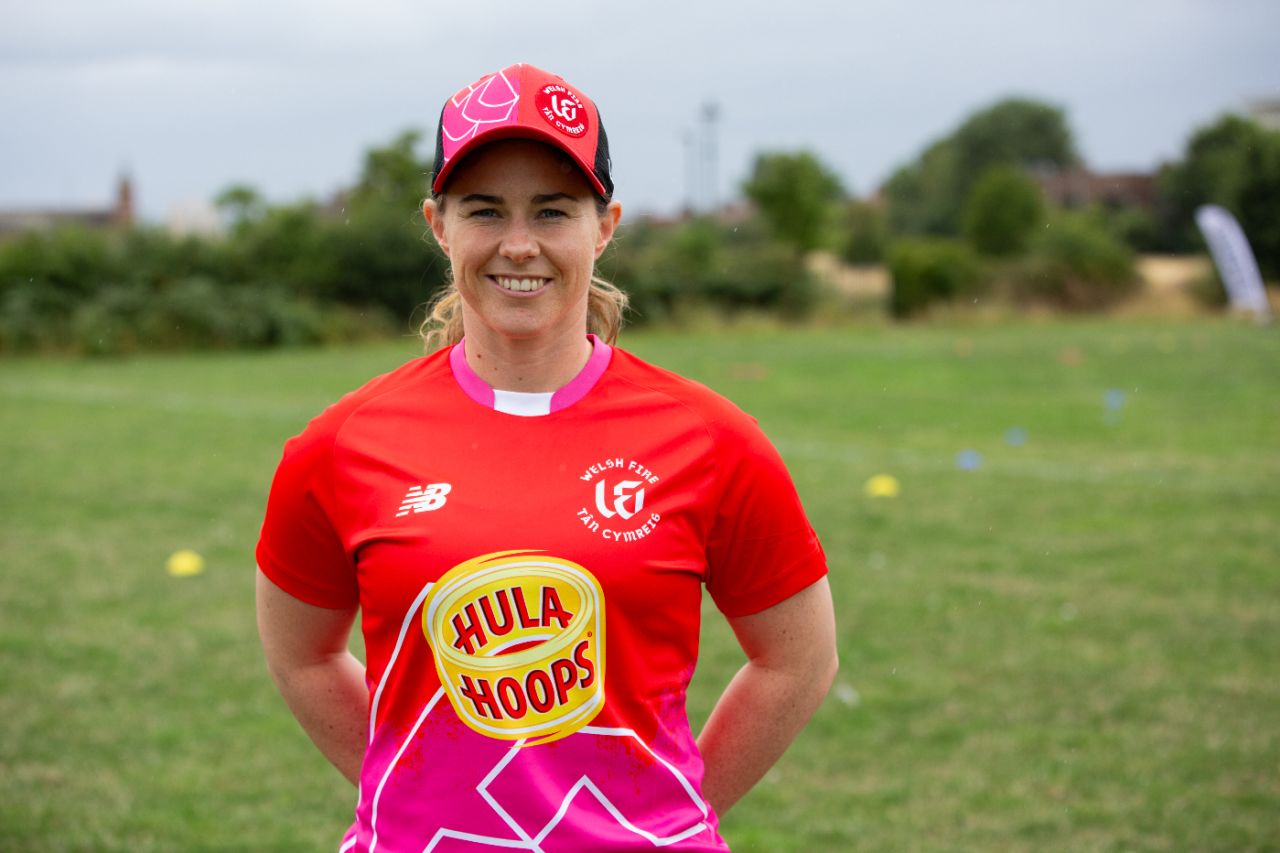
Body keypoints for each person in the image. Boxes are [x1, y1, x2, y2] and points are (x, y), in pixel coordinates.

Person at [255, 62, 837, 853]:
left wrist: (672, 811)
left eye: (553, 211)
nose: (519, 245)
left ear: (605, 225)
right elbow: (303, 654)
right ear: (438, 223)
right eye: (485, 210)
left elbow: (798, 661)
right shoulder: (340, 445)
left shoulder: (710, 440)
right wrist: (411, 791)